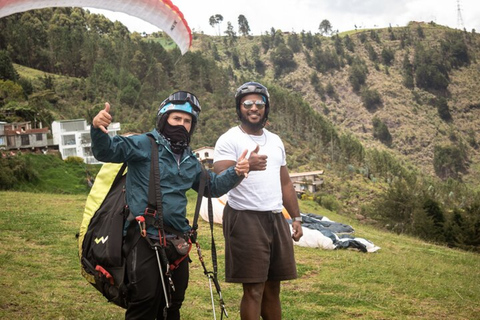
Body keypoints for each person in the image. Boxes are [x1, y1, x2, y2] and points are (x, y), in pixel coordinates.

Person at [91, 91, 249, 320]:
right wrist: (97, 129)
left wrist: (236, 172)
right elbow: (106, 150)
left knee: (173, 304)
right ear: (164, 120)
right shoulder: (143, 144)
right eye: (177, 119)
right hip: (144, 237)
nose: (182, 125)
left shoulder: (189, 160)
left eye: (187, 121)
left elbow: (211, 187)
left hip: (177, 240)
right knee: (144, 302)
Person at [213, 82, 304, 319]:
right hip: (245, 218)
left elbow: (285, 182)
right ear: (239, 108)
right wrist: (246, 167)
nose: (254, 108)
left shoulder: (275, 141)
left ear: (266, 108)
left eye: (259, 103)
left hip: (275, 218)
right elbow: (219, 176)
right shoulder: (229, 139)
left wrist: (296, 217)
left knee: (273, 288)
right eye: (247, 104)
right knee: (254, 289)